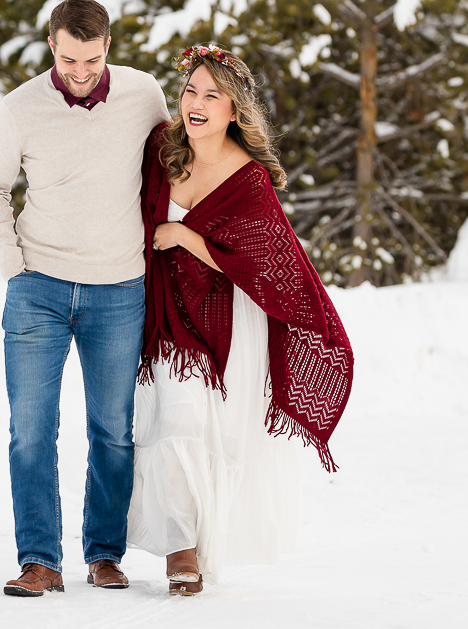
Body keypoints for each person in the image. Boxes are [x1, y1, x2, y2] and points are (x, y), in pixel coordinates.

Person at [128, 45, 355, 595]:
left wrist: (184, 235)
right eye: (190, 91)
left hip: (224, 320)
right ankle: (180, 552)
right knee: (172, 423)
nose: (197, 104)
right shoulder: (161, 150)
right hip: (161, 314)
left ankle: (200, 549)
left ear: (235, 110)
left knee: (204, 432)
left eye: (213, 95)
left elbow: (261, 265)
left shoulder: (248, 178)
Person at [0, 0, 170, 597]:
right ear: (51, 46)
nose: (78, 71)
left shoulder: (144, 96)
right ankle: (40, 561)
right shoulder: (20, 108)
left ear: (107, 46)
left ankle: (104, 554)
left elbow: (175, 168)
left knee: (113, 429)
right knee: (31, 431)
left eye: (90, 59)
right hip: (38, 289)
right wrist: (14, 266)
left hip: (119, 289)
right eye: (67, 59)